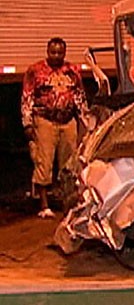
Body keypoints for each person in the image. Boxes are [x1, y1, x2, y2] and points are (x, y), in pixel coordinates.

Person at [21, 37, 89, 218]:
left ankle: (67, 203)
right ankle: (44, 205)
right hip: (45, 121)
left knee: (70, 164)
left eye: (60, 52)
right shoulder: (35, 71)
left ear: (64, 53)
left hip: (68, 121)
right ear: (47, 51)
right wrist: (27, 123)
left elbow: (79, 97)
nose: (56, 56)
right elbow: (27, 97)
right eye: (53, 52)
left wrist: (85, 120)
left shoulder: (72, 71)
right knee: (44, 162)